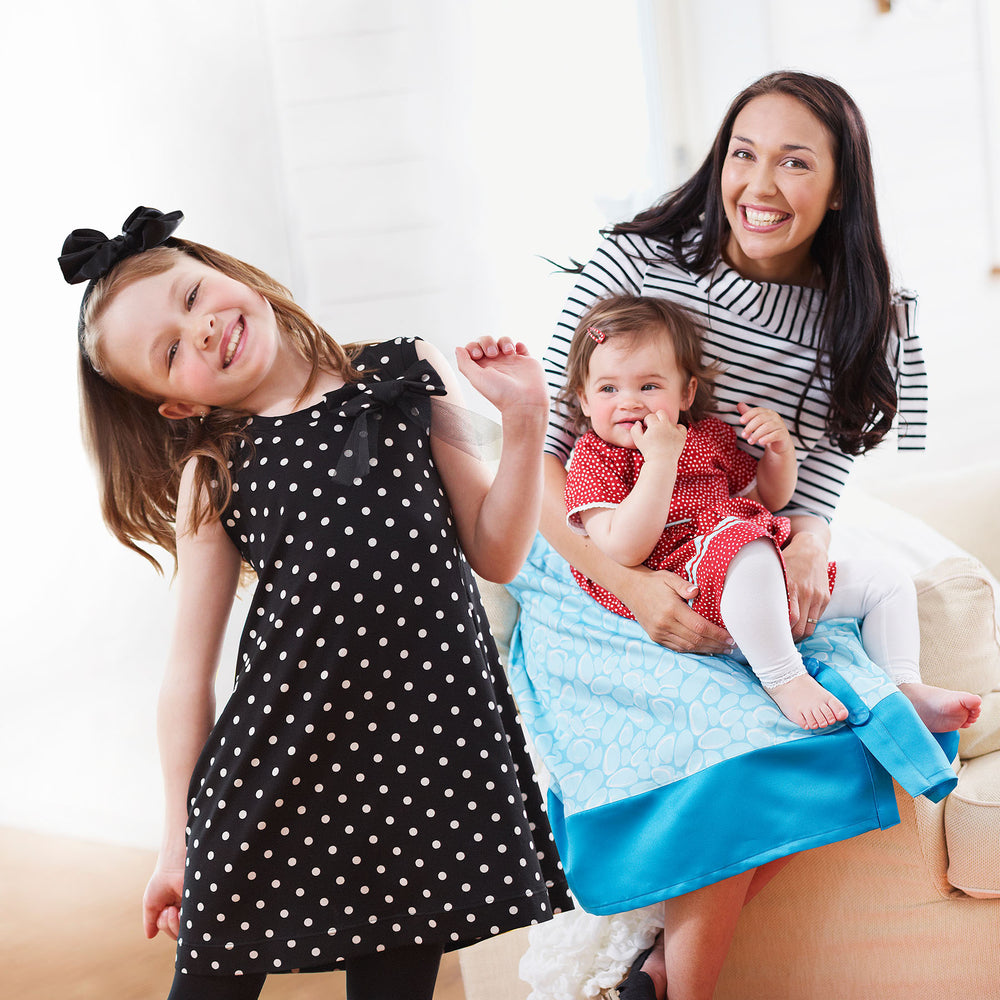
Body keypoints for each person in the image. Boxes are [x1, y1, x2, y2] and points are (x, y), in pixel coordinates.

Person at [466, 72, 970, 1000]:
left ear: (842, 186)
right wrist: (632, 590)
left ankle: (656, 978)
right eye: (744, 154)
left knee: (860, 722)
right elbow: (540, 451)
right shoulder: (635, 266)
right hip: (588, 550)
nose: (760, 186)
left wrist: (811, 543)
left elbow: (816, 486)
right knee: (736, 735)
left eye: (794, 161)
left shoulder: (868, 316)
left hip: (729, 540)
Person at [59, 206, 572, 1000]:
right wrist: (175, 841)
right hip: (275, 761)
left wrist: (525, 414)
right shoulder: (216, 468)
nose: (200, 331)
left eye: (194, 297)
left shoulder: (402, 374)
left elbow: (495, 552)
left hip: (419, 758)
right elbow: (186, 676)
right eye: (169, 352)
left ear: (230, 273)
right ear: (176, 405)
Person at [561, 293, 980, 733]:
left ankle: (906, 686)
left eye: (649, 386)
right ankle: (785, 677)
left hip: (762, 575)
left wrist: (781, 452)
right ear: (585, 401)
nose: (629, 402)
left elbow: (767, 498)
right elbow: (623, 548)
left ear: (686, 392)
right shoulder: (595, 457)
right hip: (692, 588)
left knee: (885, 581)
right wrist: (661, 462)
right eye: (608, 388)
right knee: (749, 545)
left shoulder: (707, 437)